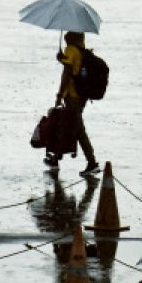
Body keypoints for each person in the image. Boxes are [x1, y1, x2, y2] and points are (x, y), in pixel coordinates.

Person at [45, 31, 99, 175]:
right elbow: (74, 67)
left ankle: (92, 162)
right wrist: (61, 60)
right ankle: (56, 158)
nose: (66, 35)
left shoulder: (71, 50)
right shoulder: (80, 50)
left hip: (73, 96)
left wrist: (59, 94)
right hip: (80, 96)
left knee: (77, 129)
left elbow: (67, 74)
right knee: (67, 126)